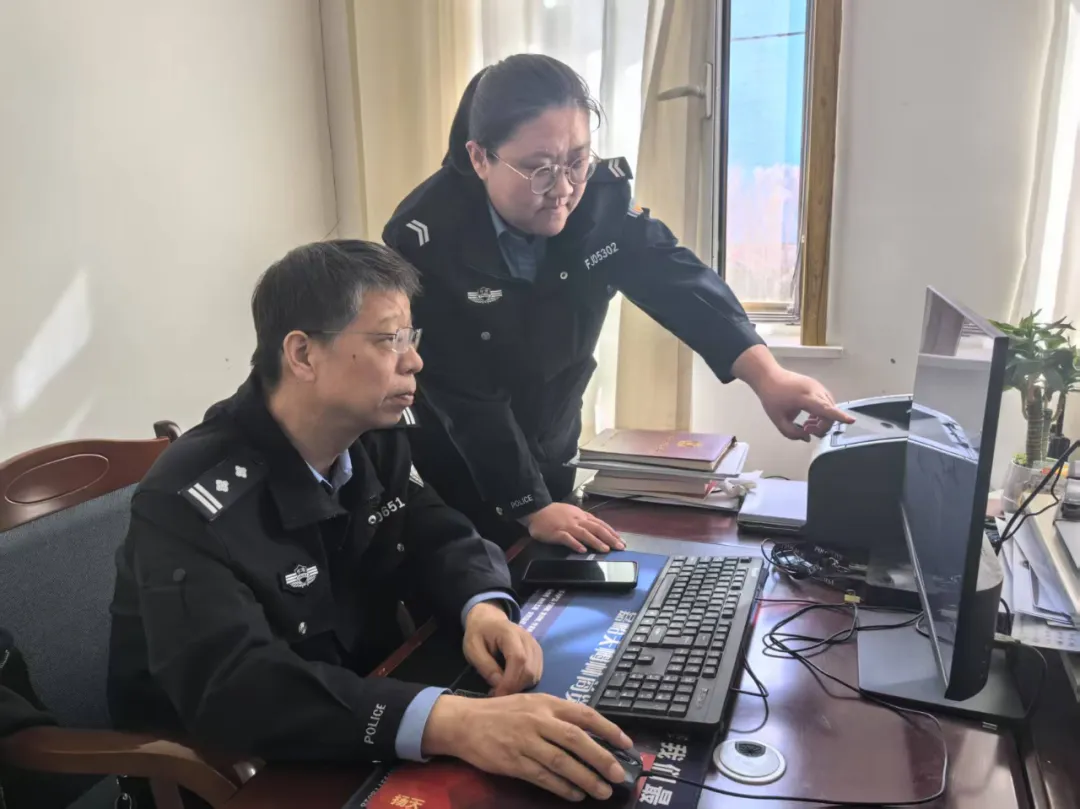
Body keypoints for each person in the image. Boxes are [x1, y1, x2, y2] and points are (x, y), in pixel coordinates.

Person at [107, 240, 633, 804]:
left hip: (364, 718)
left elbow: (438, 531)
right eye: (389, 340)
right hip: (241, 773)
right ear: (303, 355)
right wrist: (454, 723)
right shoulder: (189, 497)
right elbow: (237, 688)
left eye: (411, 337)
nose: (414, 361)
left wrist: (481, 606)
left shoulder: (372, 439)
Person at [384, 54, 852, 553]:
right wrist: (528, 506)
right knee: (479, 572)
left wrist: (768, 376)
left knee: (559, 573)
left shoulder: (599, 199)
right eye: (538, 170)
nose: (563, 189)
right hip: (463, 457)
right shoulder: (426, 239)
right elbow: (464, 395)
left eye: (577, 161)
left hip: (553, 427)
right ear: (480, 158)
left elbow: (675, 278)